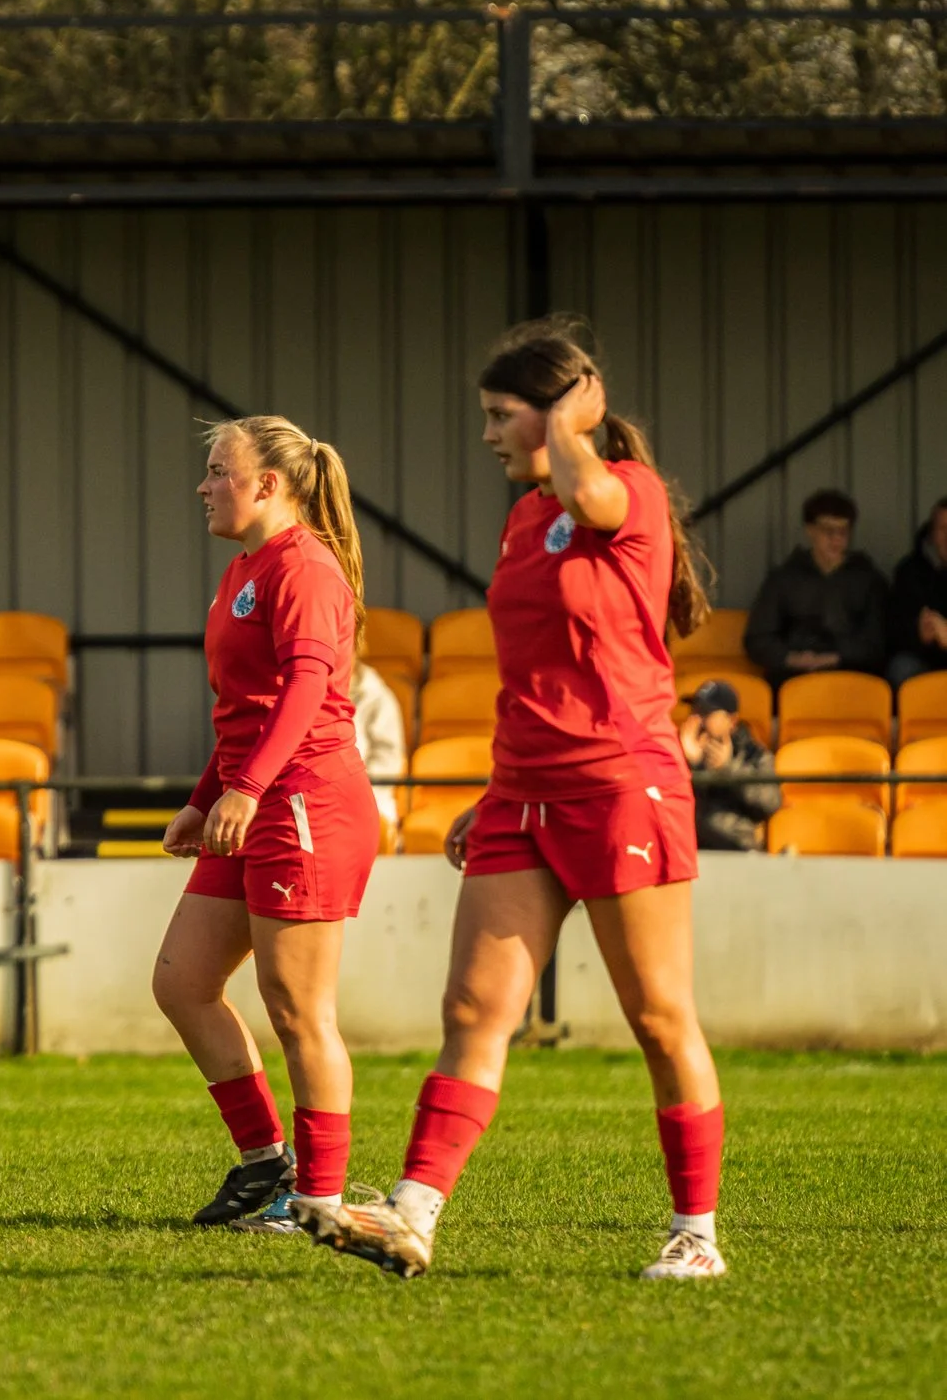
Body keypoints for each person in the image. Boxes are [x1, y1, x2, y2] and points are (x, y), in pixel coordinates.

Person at [300, 319, 729, 1282]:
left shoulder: (628, 495)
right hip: (525, 796)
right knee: (473, 1009)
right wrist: (495, 788)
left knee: (659, 1017)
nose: (488, 433)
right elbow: (537, 670)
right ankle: (413, 1214)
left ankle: (696, 1234)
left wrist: (577, 423)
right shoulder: (528, 514)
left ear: (564, 411)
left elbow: (594, 488)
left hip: (624, 789)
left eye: (502, 414)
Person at [153, 416, 375, 1236]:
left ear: (268, 485)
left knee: (298, 1007)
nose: (204, 484)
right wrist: (205, 795)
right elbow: (244, 712)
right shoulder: (245, 567)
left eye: (218, 470)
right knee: (181, 980)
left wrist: (242, 788)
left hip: (305, 801)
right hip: (254, 798)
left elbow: (307, 687)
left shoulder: (305, 566)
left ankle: (316, 1198)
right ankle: (264, 1164)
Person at [744, 489, 891, 685]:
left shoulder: (869, 579)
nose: (836, 539)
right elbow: (758, 637)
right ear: (810, 529)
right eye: (828, 531)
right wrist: (792, 659)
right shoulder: (784, 578)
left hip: (854, 673)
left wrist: (834, 658)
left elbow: (877, 642)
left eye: (843, 532)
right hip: (793, 674)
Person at [680, 680, 780, 853]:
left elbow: (769, 802)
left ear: (732, 721)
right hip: (686, 847)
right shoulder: (679, 750)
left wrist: (728, 769)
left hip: (734, 849)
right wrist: (690, 764)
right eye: (694, 711)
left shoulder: (752, 754)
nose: (697, 720)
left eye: (706, 713)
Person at [888, 495, 947, 685]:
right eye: (943, 529)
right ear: (931, 533)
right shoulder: (909, 571)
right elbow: (893, 631)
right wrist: (919, 634)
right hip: (923, 659)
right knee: (901, 667)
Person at [350, 660, 408, 830]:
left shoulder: (378, 696)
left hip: (370, 792)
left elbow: (388, 756)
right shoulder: (312, 690)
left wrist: (354, 787)